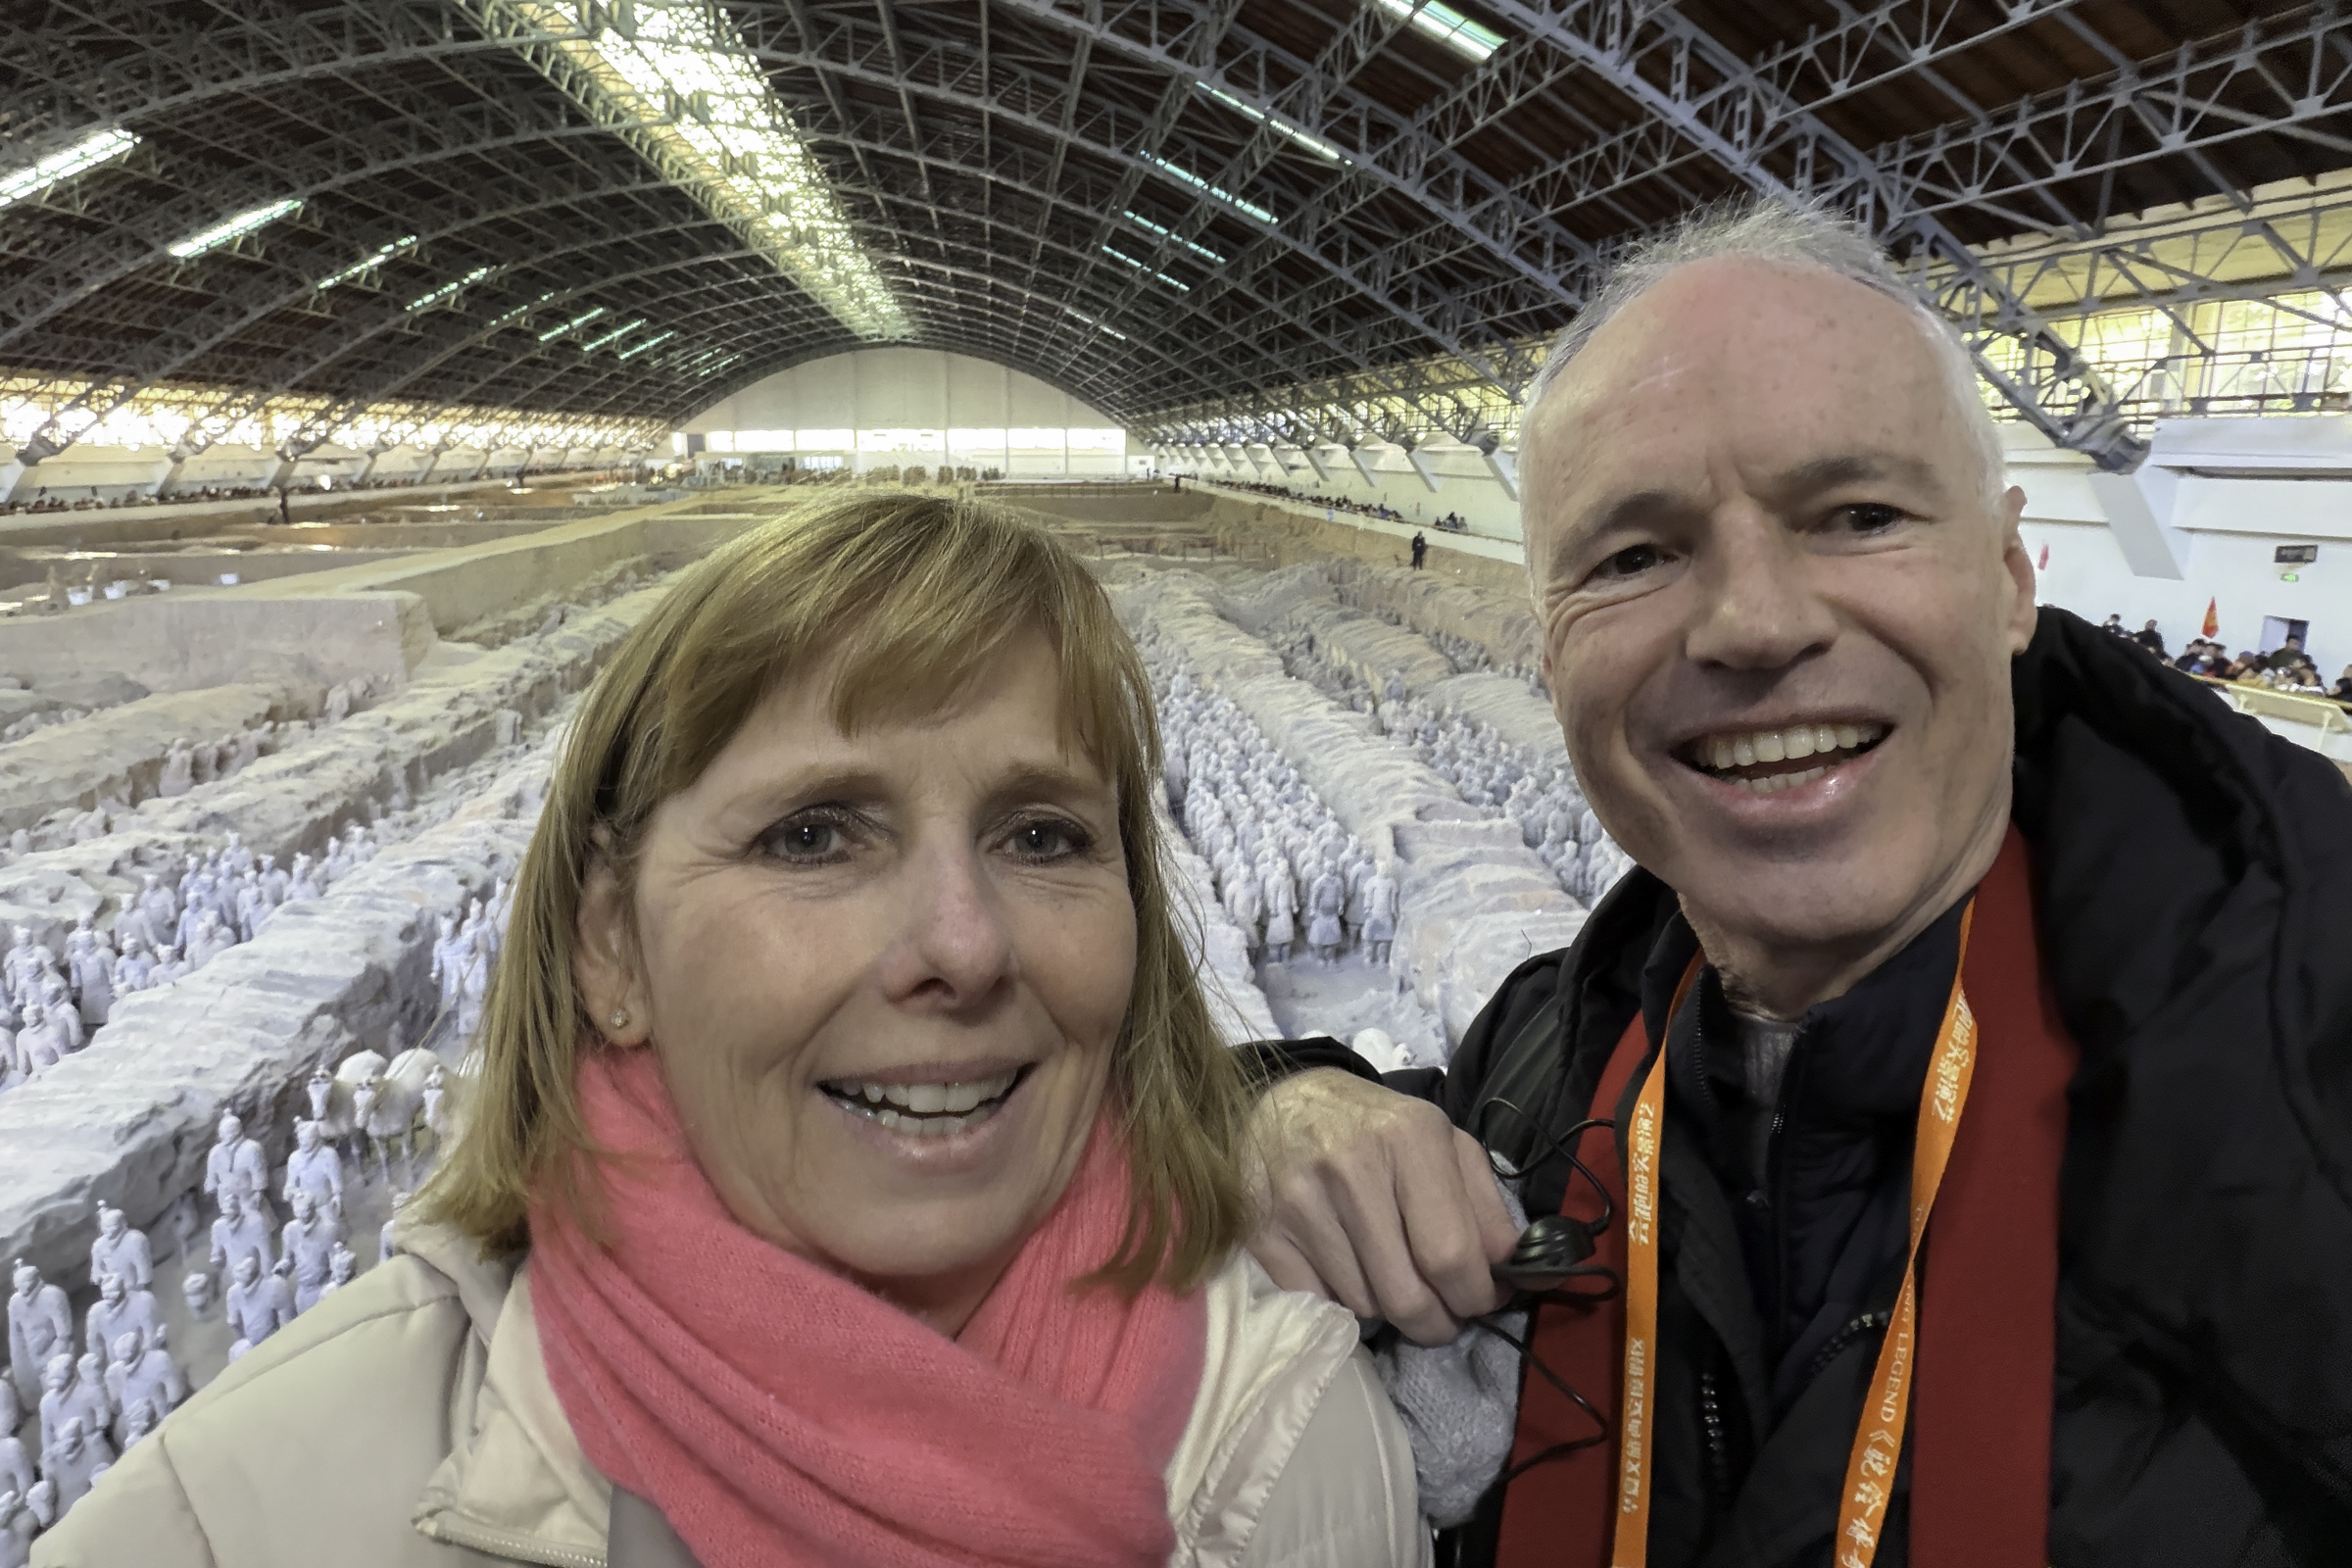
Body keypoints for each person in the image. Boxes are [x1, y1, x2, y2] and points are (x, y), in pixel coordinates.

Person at [1241, 200, 2352, 1566]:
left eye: (1859, 516)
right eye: (1636, 556)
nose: (1757, 624)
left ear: (2012, 578)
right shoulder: (1553, 1050)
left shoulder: (2309, 1117)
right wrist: (1271, 1107)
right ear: (1550, 649)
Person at [38, 496, 1426, 1567]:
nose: (964, 944)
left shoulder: (1299, 1439)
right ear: (609, 942)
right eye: (813, 835)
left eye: (1044, 834)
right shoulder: (233, 1523)